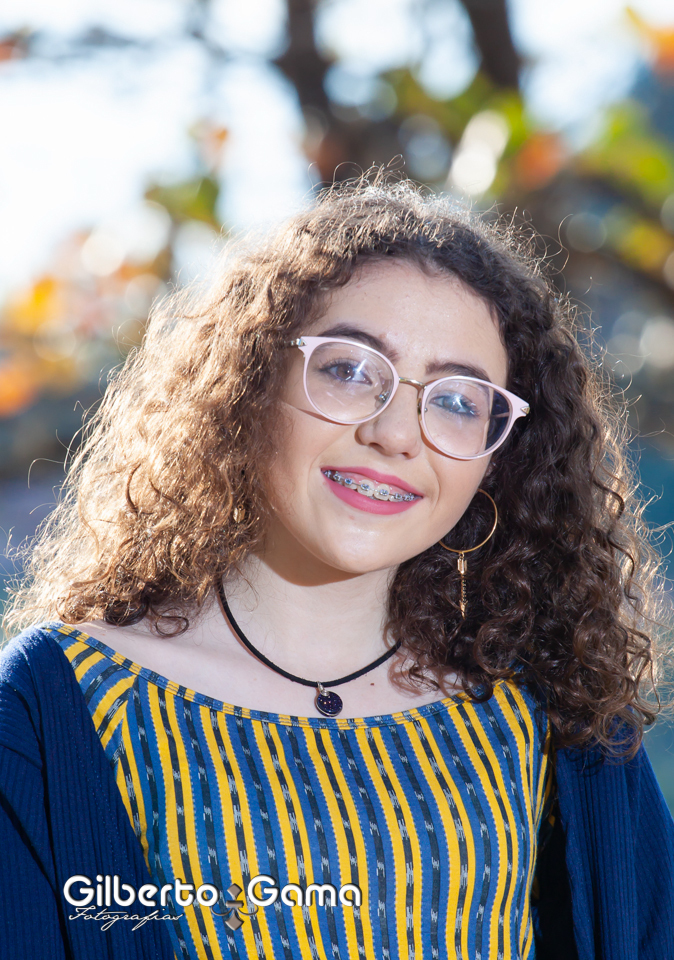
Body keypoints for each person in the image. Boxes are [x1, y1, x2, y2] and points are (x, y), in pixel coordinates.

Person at [1, 176, 673, 960]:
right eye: (350, 370)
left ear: (499, 458)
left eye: (459, 401)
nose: (397, 433)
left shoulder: (555, 718)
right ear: (250, 381)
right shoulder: (57, 706)